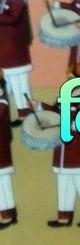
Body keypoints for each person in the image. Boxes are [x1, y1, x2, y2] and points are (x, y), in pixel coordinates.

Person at [32, 64, 80, 227]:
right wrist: (39, 105)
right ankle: (64, 217)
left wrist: (72, 125)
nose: (68, 81)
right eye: (68, 78)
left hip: (79, 150)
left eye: (71, 78)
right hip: (63, 150)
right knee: (64, 183)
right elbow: (54, 112)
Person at [0, 0, 33, 125]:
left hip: (14, 51)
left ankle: (25, 113)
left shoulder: (19, 1)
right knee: (12, 83)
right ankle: (20, 112)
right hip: (5, 49)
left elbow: (11, 18)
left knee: (18, 84)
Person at [0, 75, 17, 229]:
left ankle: (8, 216)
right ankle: (9, 213)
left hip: (1, 153)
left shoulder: (2, 104)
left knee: (3, 186)